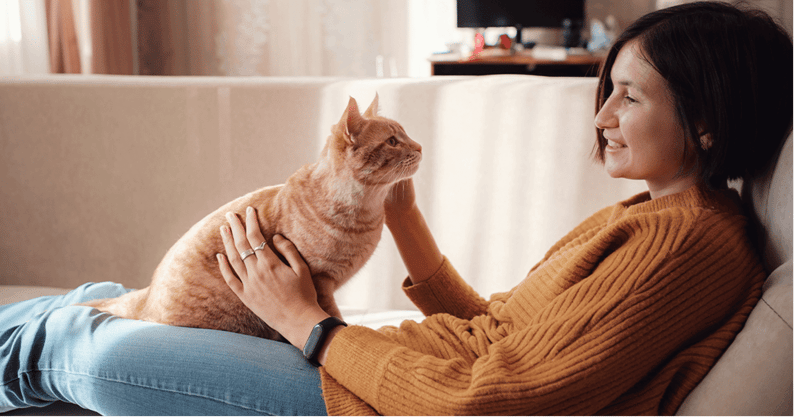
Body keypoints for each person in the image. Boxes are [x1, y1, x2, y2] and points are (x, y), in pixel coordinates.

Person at [1, 1, 792, 416]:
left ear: (708, 117)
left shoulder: (691, 242)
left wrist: (304, 322)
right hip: (386, 372)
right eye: (605, 92)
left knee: (90, 351)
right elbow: (500, 331)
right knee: (95, 302)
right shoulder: (658, 217)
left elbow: (500, 397)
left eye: (628, 96)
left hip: (371, 397)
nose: (601, 116)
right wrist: (404, 219)